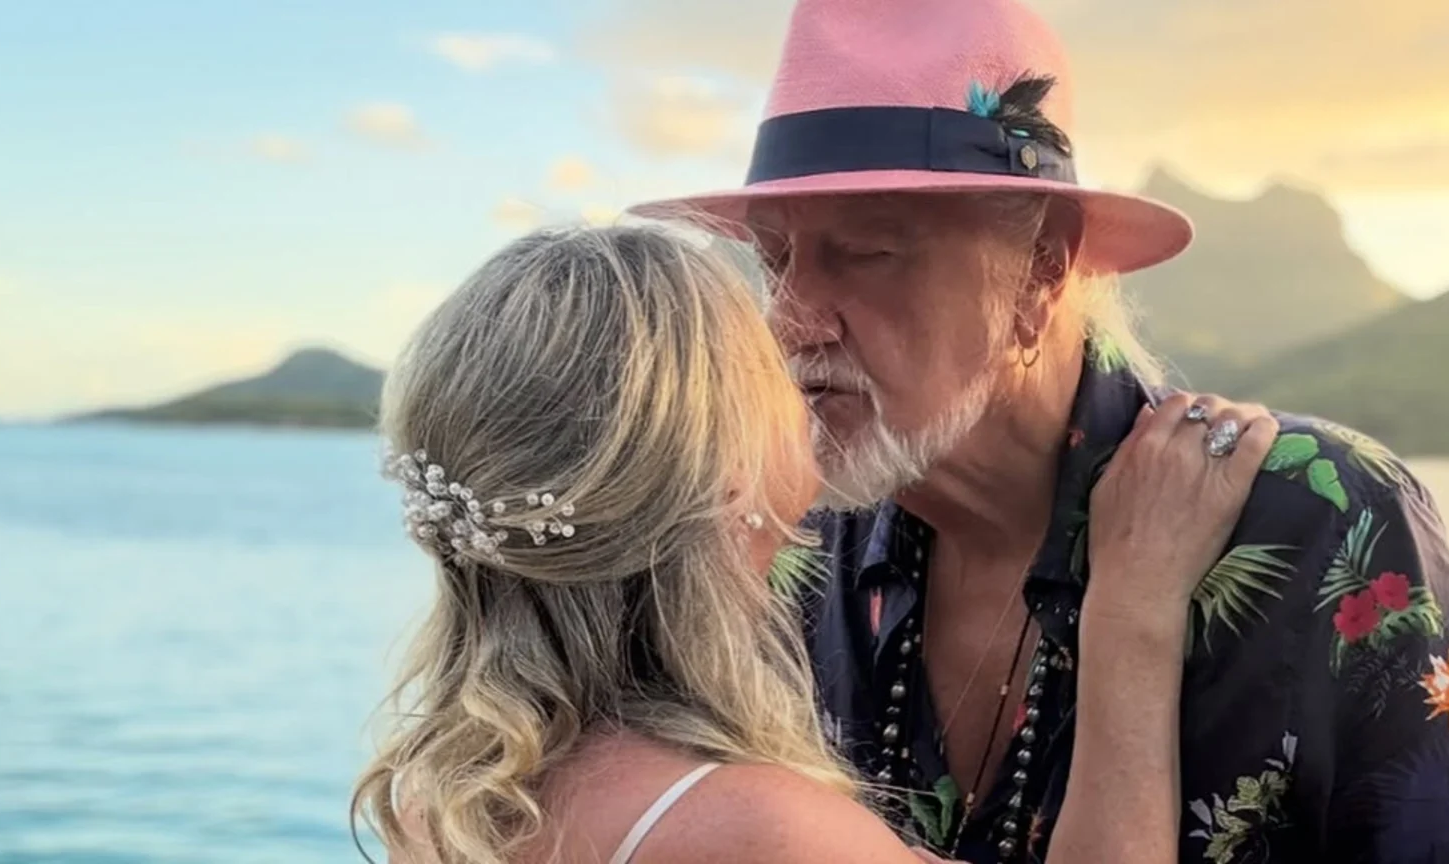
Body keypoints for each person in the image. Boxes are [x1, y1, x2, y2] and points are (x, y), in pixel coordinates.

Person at [629, 0, 1449, 861]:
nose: (790, 320)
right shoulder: (792, 561)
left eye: (866, 253)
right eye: (773, 261)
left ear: (1041, 268)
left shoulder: (1324, 522)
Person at [351, 224, 1276, 864]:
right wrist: (1133, 610)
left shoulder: (445, 796)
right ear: (721, 469)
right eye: (762, 368)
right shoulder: (750, 829)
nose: (797, 334)